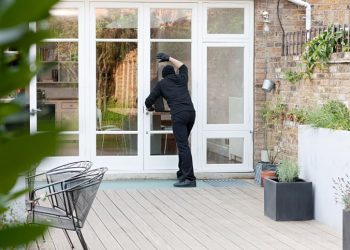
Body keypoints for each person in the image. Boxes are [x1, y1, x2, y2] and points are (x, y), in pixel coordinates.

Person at [145, 52, 196, 187]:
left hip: (179, 115)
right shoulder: (181, 78)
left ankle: (189, 179)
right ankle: (181, 174)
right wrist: (169, 58)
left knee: (183, 146)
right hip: (191, 113)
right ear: (174, 72)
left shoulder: (162, 84)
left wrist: (150, 108)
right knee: (183, 144)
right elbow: (184, 67)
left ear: (163, 76)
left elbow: (148, 100)